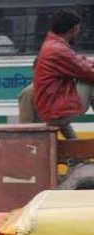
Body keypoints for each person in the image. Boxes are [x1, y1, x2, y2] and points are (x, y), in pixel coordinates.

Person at [34, 9, 94, 139]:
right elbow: (87, 71)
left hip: (51, 109)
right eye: (78, 29)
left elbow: (80, 62)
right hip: (56, 111)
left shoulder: (52, 45)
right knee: (89, 82)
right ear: (73, 29)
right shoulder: (58, 50)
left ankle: (76, 155)